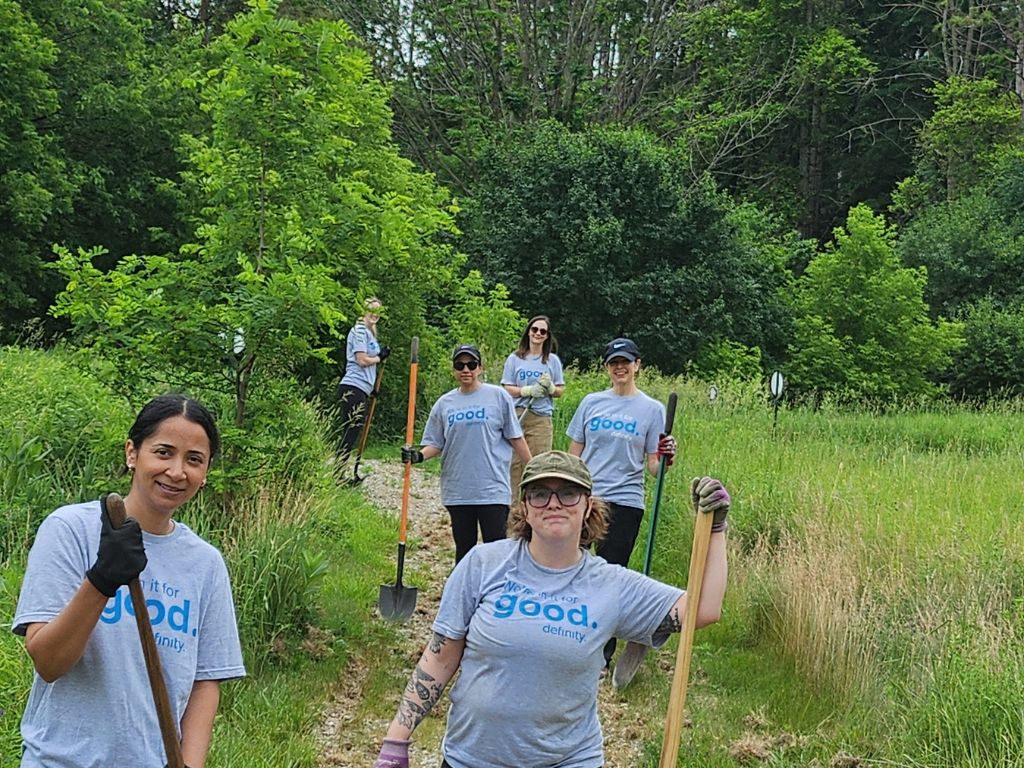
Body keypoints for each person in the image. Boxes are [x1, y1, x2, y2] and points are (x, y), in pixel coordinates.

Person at [372, 451, 730, 768]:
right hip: (473, 756)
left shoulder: (611, 584)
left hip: (568, 759)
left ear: (588, 505)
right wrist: (396, 740)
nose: (554, 503)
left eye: (568, 493)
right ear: (524, 508)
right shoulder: (483, 564)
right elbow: (439, 658)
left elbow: (703, 609)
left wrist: (715, 530)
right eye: (540, 494)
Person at [12, 394, 246, 768]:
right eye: (164, 452)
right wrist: (102, 580)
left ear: (205, 472)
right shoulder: (71, 531)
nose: (177, 471)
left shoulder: (205, 563)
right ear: (132, 453)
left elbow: (205, 683)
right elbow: (48, 662)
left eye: (194, 460)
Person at [566, 337, 677, 670]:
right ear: (606, 367)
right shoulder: (591, 403)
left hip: (626, 502)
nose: (620, 367)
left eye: (625, 362)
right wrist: (572, 493)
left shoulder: (652, 410)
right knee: (572, 570)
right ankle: (568, 640)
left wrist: (667, 456)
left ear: (637, 365)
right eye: (614, 362)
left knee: (609, 576)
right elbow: (575, 452)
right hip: (588, 499)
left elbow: (655, 467)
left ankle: (602, 652)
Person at [402, 344, 532, 564]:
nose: (466, 369)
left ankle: (494, 594)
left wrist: (534, 469)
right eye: (460, 365)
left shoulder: (498, 396)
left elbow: (515, 437)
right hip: (458, 489)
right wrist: (418, 456)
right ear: (454, 369)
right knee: (464, 550)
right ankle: (464, 594)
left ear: (480, 367)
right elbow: (436, 442)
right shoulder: (445, 403)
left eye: (471, 364)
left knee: (496, 548)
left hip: (492, 488)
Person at [501, 315, 565, 499]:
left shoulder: (552, 361)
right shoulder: (515, 358)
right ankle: (514, 508)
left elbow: (560, 390)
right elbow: (507, 387)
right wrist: (528, 390)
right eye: (535, 329)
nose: (538, 333)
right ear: (529, 332)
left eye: (542, 331)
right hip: (517, 416)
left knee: (538, 464)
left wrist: (550, 388)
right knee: (514, 464)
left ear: (547, 336)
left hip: (541, 419)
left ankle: (536, 505)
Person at [337, 297, 389, 464]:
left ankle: (339, 471)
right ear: (364, 311)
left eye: (378, 312)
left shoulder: (370, 333)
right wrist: (380, 358)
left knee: (353, 429)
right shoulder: (359, 331)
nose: (375, 315)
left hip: (362, 387)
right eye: (372, 310)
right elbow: (362, 360)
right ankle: (338, 472)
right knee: (351, 430)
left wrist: (371, 388)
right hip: (353, 385)